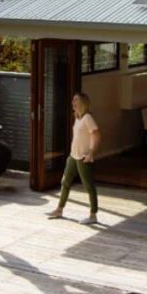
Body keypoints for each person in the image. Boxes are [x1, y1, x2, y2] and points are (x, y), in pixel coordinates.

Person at [46, 93, 100, 225]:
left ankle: (93, 215)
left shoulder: (88, 118)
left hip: (83, 157)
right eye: (73, 100)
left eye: (76, 100)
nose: (73, 102)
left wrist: (91, 153)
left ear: (83, 102)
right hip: (73, 156)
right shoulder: (78, 118)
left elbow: (97, 136)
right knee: (65, 182)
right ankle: (59, 209)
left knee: (88, 186)